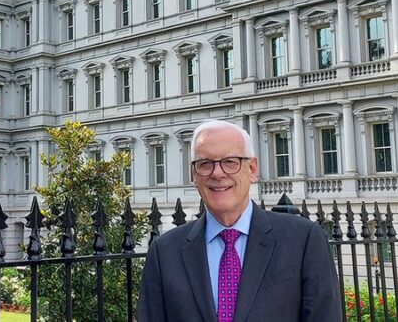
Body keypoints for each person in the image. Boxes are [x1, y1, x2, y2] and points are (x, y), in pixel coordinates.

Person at [137, 119, 342, 322]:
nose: (217, 173)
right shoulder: (164, 252)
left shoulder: (303, 240)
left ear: (252, 169)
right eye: (205, 164)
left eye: (230, 162)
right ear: (194, 174)